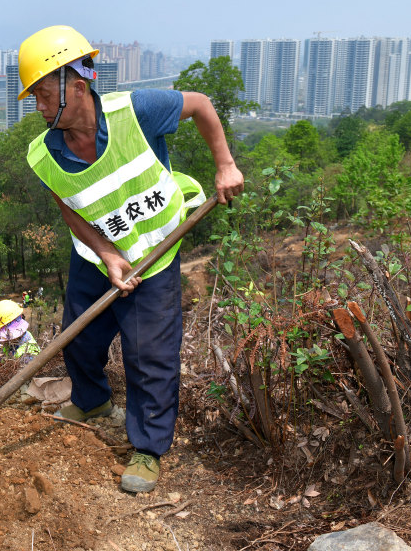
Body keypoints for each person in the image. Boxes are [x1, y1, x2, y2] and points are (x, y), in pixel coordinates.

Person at [17, 25, 244, 493]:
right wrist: (105, 253)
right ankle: (93, 400)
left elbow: (200, 103)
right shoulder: (43, 153)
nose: (36, 106)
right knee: (79, 339)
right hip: (97, 256)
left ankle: (148, 447)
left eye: (41, 94)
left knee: (150, 356)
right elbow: (69, 207)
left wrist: (224, 163)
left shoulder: (135, 112)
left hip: (154, 253)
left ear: (76, 86)